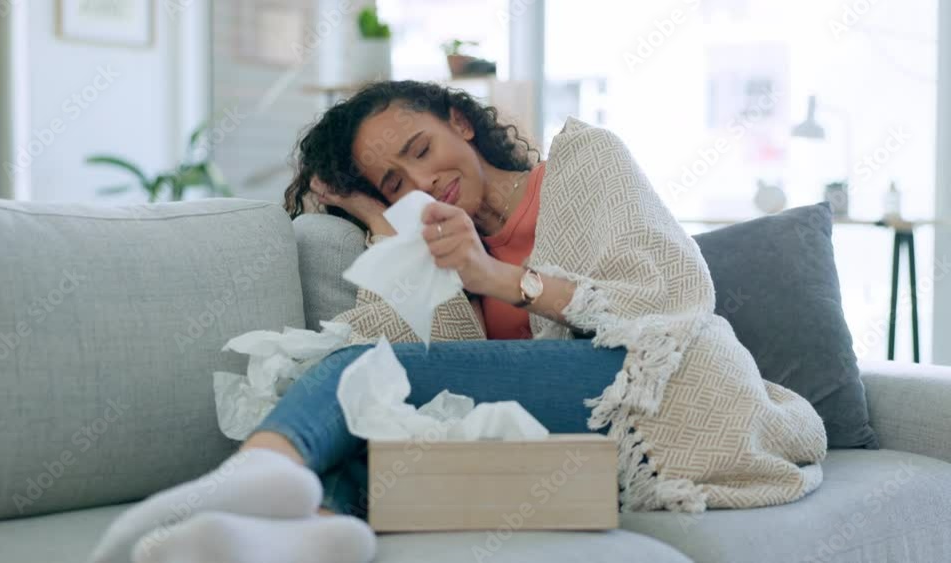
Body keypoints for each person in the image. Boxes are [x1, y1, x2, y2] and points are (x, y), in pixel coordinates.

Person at [90, 80, 825, 563]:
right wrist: (388, 225)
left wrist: (499, 277)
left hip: (674, 388)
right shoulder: (437, 241)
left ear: (460, 121)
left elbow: (669, 295)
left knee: (354, 374)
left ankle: (253, 471)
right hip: (573, 431)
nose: (424, 181)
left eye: (422, 151)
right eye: (393, 182)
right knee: (372, 420)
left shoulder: (583, 162)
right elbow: (422, 384)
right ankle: (307, 530)